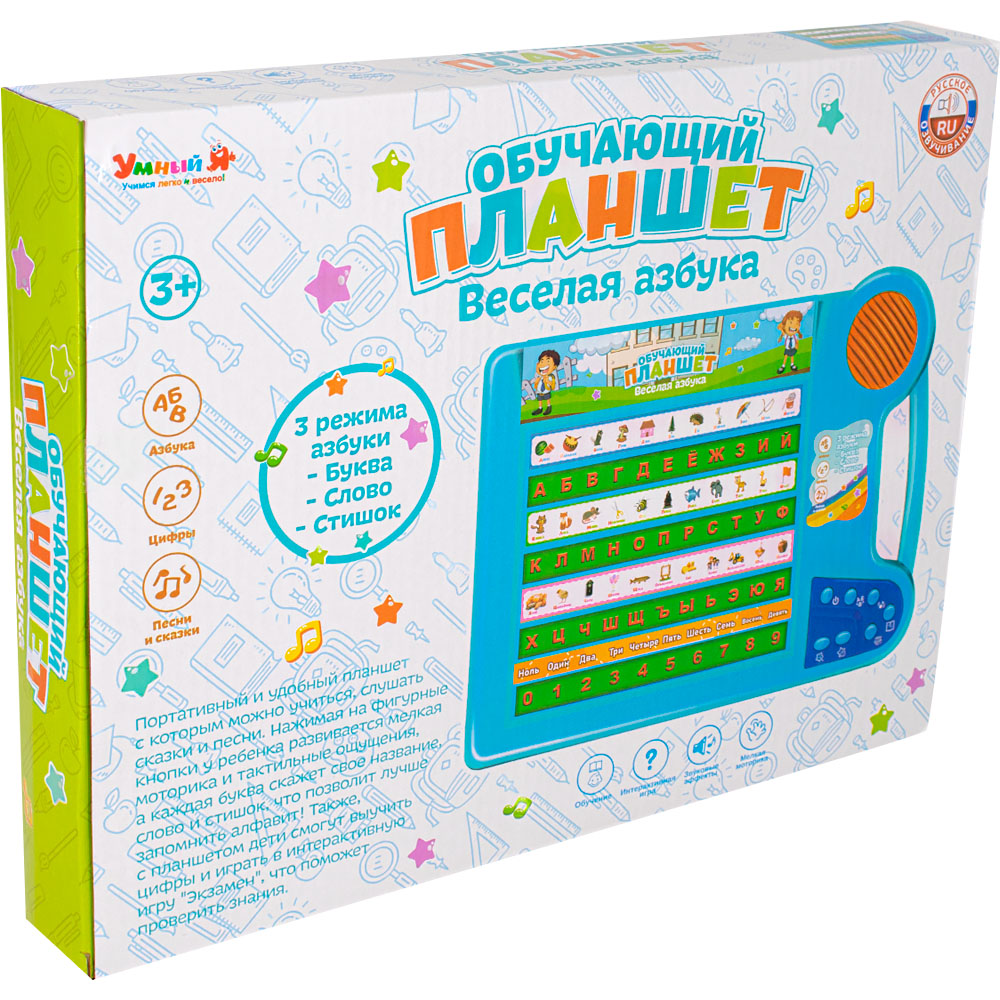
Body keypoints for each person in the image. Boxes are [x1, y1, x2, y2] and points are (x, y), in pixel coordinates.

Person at [531, 349, 560, 416]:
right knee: (540, 400)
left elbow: (553, 386)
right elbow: (535, 386)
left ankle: (549, 407)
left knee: (547, 399)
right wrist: (536, 382)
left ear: (554, 367)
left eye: (548, 361)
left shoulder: (550, 376)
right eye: (542, 361)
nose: (543, 364)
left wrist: (548, 382)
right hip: (539, 392)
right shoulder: (539, 376)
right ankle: (540, 408)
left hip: (546, 391)